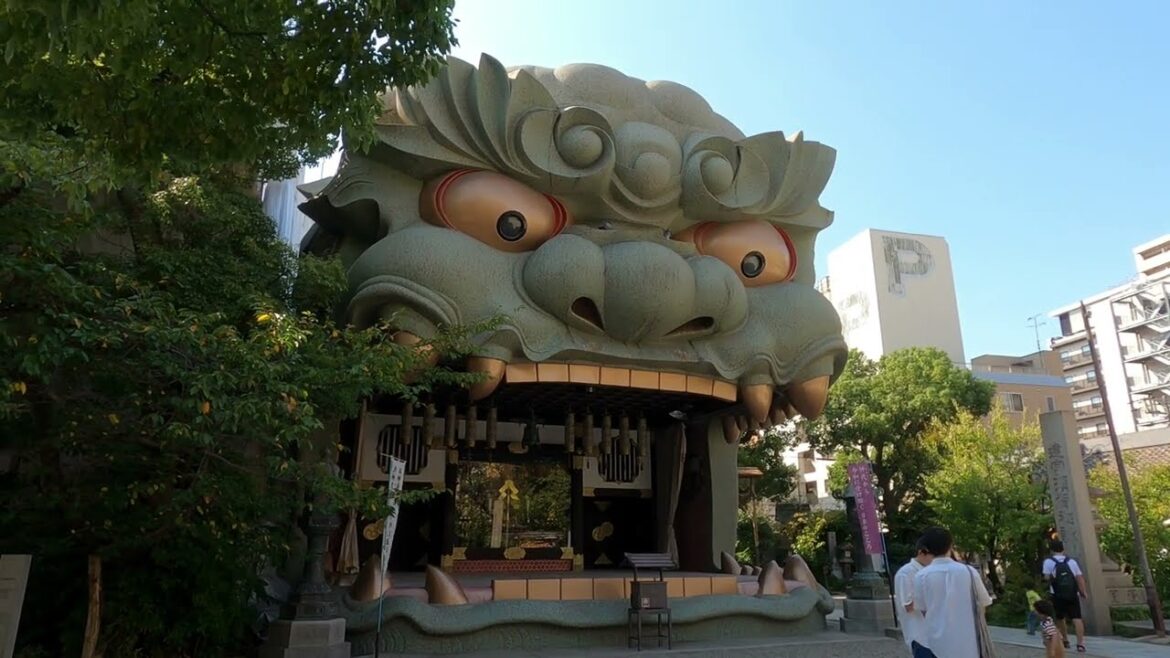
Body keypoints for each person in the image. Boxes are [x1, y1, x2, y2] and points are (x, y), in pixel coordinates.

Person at [913, 526, 994, 658]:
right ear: (951, 545)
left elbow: (923, 609)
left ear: (926, 548)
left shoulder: (921, 576)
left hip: (936, 642)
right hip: (969, 642)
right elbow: (983, 604)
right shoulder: (969, 572)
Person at [1042, 539, 1087, 653]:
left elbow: (1046, 578)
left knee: (1060, 618)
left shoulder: (1048, 562)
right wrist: (1083, 591)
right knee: (1077, 618)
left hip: (1057, 594)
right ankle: (1080, 643)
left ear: (1051, 550)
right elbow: (1079, 578)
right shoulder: (1071, 561)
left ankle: (1065, 640)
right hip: (1072, 594)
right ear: (1063, 549)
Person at [895, 538, 934, 657]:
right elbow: (907, 605)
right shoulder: (906, 573)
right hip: (920, 634)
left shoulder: (930, 571)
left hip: (936, 633)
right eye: (933, 556)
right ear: (921, 552)